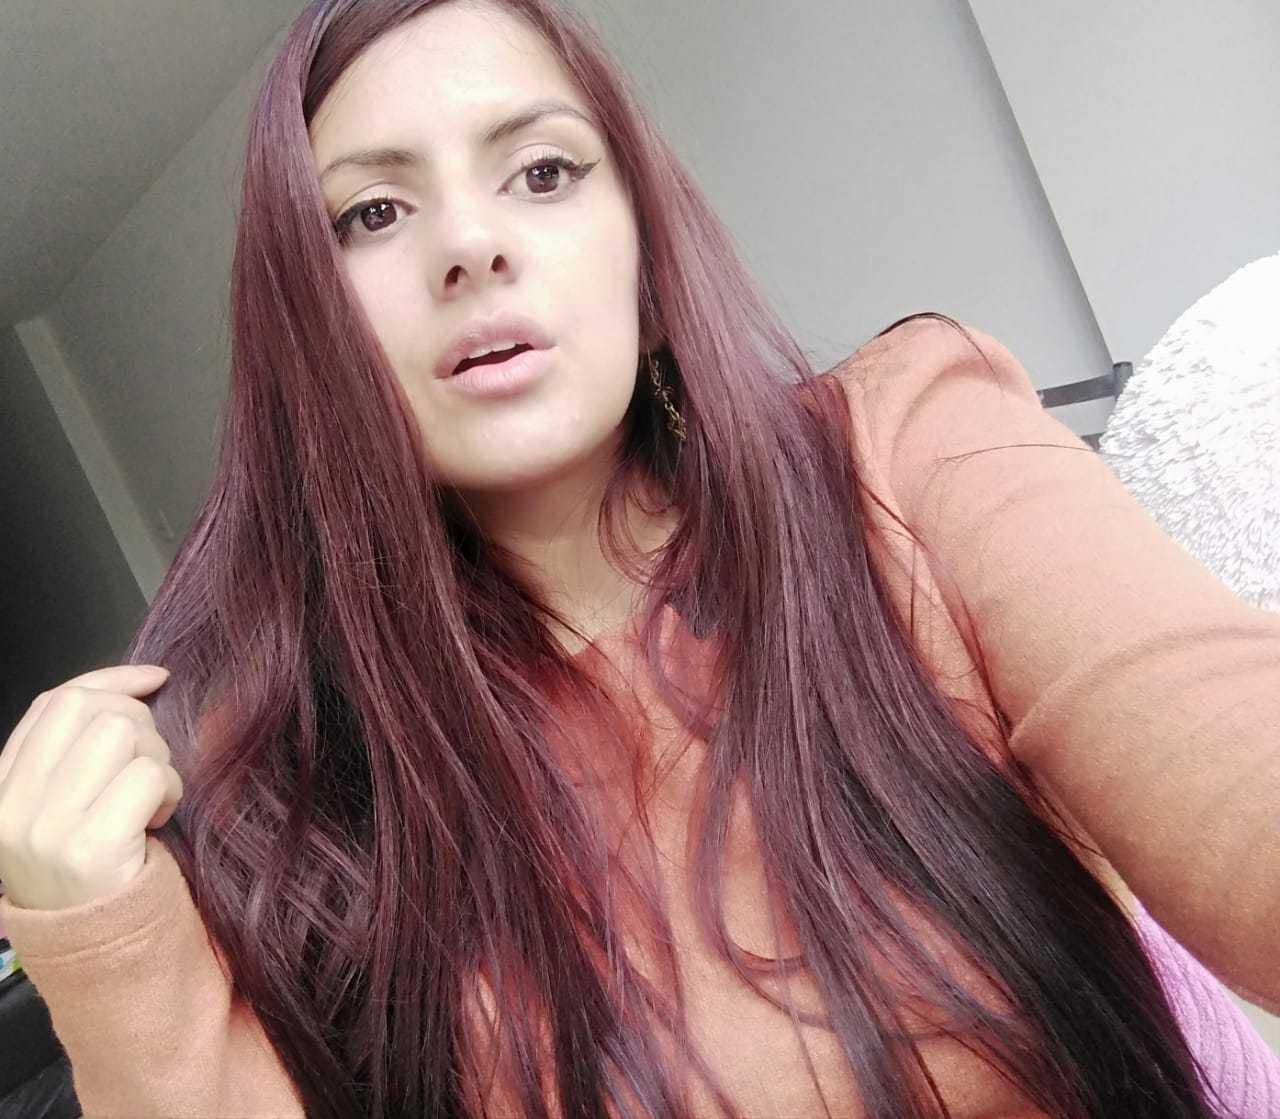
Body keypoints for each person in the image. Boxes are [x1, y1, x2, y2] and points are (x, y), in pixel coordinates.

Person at [1, 1, 1278, 1116]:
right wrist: (102, 943)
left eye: (542, 172)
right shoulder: (293, 773)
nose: (471, 245)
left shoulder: (905, 452)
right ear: (306, 333)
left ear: (648, 265)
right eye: (373, 212)